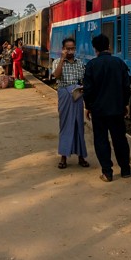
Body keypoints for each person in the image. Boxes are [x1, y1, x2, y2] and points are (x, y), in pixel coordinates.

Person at [82, 33, 131, 182]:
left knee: (101, 140)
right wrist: (125, 104)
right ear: (109, 46)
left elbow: (88, 90)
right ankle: (125, 170)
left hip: (98, 111)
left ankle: (107, 173)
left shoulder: (91, 65)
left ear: (94, 49)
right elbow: (126, 87)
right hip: (117, 109)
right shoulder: (119, 63)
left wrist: (88, 107)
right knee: (120, 139)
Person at [52, 36, 88, 170]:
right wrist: (62, 59)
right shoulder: (57, 62)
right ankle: (63, 156)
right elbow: (56, 76)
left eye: (73, 48)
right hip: (64, 95)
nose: (71, 51)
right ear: (63, 49)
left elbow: (83, 79)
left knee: (79, 124)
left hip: (77, 95)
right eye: (68, 49)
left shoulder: (80, 63)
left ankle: (81, 156)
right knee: (65, 124)